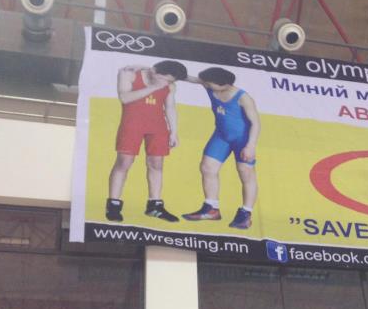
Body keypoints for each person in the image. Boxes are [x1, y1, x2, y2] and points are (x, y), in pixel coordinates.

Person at [106, 60, 188, 223]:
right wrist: (153, 87)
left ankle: (154, 206)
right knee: (124, 162)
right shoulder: (128, 74)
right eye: (165, 79)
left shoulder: (170, 85)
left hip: (157, 126)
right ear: (154, 71)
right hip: (132, 124)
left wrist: (174, 132)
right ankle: (113, 205)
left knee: (157, 164)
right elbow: (125, 98)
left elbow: (170, 107)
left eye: (170, 81)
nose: (167, 83)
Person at [183, 67, 260, 229]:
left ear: (224, 84)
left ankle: (245, 214)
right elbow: (187, 77)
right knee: (207, 168)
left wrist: (250, 146)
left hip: (242, 139)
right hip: (221, 136)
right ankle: (211, 209)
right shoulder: (211, 86)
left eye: (209, 84)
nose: (206, 86)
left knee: (246, 174)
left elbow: (256, 123)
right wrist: (157, 70)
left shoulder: (243, 98)